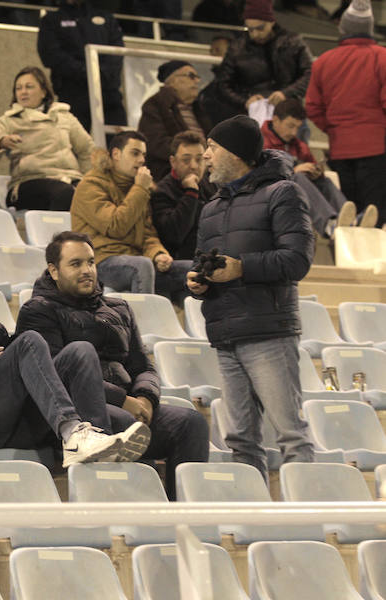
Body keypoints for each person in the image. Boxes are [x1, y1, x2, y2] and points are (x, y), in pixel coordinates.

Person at [0, 243, 151, 468]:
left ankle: (97, 443)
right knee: (29, 340)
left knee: (81, 351)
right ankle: (72, 434)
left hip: (18, 422)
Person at [16, 232, 208, 496]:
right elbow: (55, 377)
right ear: (54, 270)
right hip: (74, 413)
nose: (86, 271)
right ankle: (128, 513)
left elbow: (143, 366)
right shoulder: (38, 310)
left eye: (91, 262)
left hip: (128, 403)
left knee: (191, 423)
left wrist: (146, 399)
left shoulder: (119, 308)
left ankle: (185, 518)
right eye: (76, 264)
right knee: (126, 421)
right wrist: (124, 401)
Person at [187, 115, 315, 481]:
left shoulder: (283, 193)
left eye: (210, 148)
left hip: (268, 333)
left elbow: (298, 260)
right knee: (240, 439)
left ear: (234, 152)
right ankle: (255, 513)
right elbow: (206, 262)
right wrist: (199, 281)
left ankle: (305, 521)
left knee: (290, 433)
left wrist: (242, 268)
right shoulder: (211, 207)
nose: (205, 157)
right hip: (226, 333)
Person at [71, 131, 191, 301]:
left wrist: (158, 254)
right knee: (141, 266)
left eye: (143, 155)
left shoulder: (136, 187)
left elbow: (148, 234)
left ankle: (193, 326)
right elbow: (115, 227)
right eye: (135, 153)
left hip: (136, 259)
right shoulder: (91, 185)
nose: (141, 160)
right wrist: (140, 189)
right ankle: (143, 325)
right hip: (100, 261)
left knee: (192, 270)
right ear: (116, 154)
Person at [306, 0, 386, 227]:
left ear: (343, 27)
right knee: (375, 217)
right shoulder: (381, 57)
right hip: (377, 150)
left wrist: (335, 128)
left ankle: (347, 260)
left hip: (340, 150)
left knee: (347, 215)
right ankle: (373, 262)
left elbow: (312, 107)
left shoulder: (323, 62)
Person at [0, 66, 94, 211]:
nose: (23, 92)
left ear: (43, 91)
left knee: (96, 196)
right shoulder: (9, 120)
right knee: (64, 194)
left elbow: (87, 150)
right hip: (28, 183)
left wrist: (89, 182)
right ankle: (59, 234)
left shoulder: (64, 116)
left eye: (29, 87)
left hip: (69, 180)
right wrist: (0, 143)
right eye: (18, 88)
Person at [207, 0, 313, 124]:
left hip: (289, 112)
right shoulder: (237, 48)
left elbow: (310, 73)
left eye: (260, 28)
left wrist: (286, 93)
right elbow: (223, 84)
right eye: (250, 29)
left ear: (272, 22)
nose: (255, 34)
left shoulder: (293, 42)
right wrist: (245, 101)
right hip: (251, 112)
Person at [261, 98, 356, 235]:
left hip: (295, 192)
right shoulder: (261, 142)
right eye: (290, 126)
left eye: (297, 128)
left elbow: (312, 165)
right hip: (269, 193)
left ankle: (349, 219)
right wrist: (293, 171)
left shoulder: (299, 146)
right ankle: (328, 223)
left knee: (325, 181)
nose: (294, 132)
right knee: (298, 178)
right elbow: (259, 175)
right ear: (276, 120)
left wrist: (316, 172)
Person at [37, 0, 126, 134]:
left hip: (108, 95)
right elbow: (51, 56)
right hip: (72, 95)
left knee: (119, 144)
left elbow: (117, 52)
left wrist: (100, 73)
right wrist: (87, 71)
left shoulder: (107, 19)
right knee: (74, 147)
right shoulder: (51, 20)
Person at [138, 60, 212, 181]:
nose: (197, 81)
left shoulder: (199, 108)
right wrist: (191, 153)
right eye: (191, 76)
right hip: (171, 177)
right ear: (172, 81)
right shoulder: (156, 105)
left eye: (197, 77)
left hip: (204, 173)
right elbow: (156, 143)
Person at [150, 131, 217, 260]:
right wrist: (191, 193)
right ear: (173, 162)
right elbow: (173, 237)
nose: (194, 166)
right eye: (186, 160)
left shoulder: (212, 184)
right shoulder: (161, 192)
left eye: (199, 159)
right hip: (182, 260)